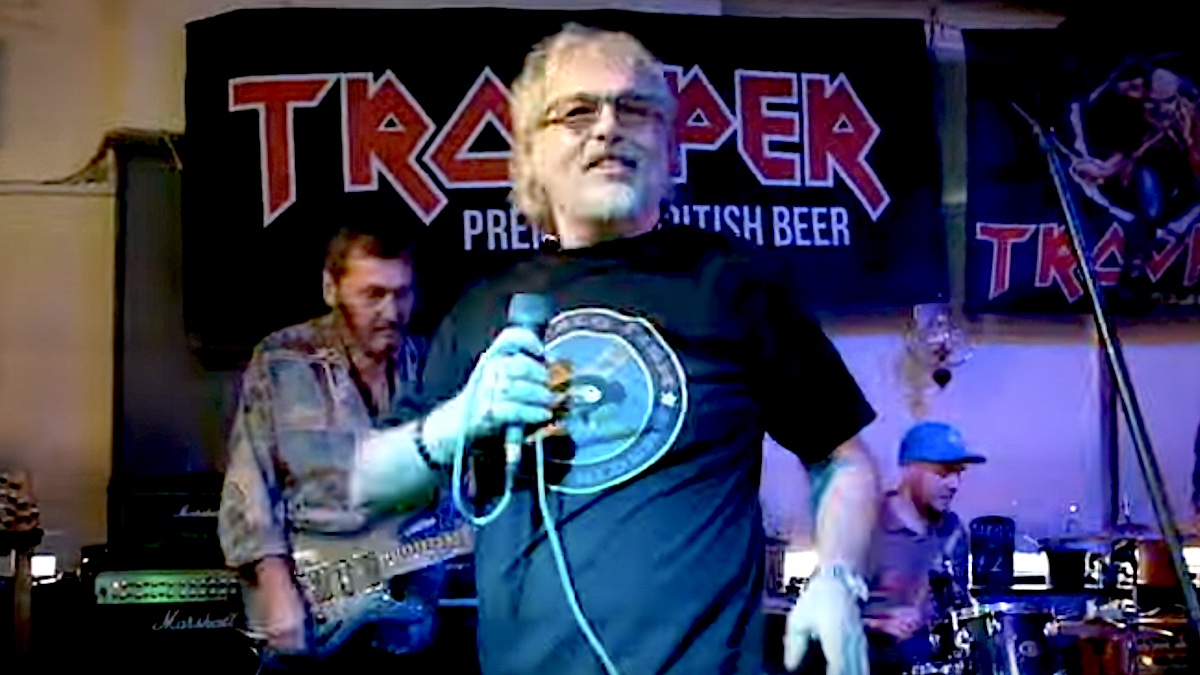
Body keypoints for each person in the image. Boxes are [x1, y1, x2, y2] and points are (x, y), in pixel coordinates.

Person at [352, 24, 881, 675]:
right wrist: (456, 422)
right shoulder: (481, 311)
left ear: (666, 143)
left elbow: (844, 461)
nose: (607, 127)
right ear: (531, 152)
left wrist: (838, 578)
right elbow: (370, 480)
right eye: (577, 111)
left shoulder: (734, 284)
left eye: (634, 109)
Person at [217, 222, 451, 672]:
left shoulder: (431, 363)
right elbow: (249, 485)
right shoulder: (283, 360)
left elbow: (452, 488)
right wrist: (275, 586)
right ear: (331, 288)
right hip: (307, 606)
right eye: (373, 294)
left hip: (405, 608)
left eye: (402, 294)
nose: (391, 312)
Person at [861, 422, 980, 675]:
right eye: (943, 473)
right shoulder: (863, 527)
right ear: (909, 471)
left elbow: (956, 607)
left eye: (959, 473)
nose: (954, 484)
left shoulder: (953, 530)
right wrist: (877, 624)